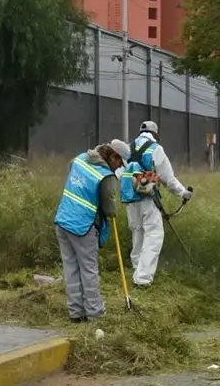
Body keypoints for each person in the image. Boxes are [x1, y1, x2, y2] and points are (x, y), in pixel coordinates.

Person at [54, 139, 129, 322]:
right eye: (120, 162)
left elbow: (72, 176)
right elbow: (110, 209)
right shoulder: (105, 176)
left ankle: (76, 313)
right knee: (88, 270)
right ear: (113, 156)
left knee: (71, 269)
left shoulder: (79, 159)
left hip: (62, 221)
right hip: (82, 227)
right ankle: (95, 313)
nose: (119, 167)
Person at [120, 121, 192, 288]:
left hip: (129, 199)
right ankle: (143, 280)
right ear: (155, 135)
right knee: (154, 235)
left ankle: (138, 270)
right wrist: (183, 192)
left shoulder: (127, 149)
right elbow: (168, 179)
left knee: (137, 233)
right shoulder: (155, 149)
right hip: (146, 197)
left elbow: (120, 172)